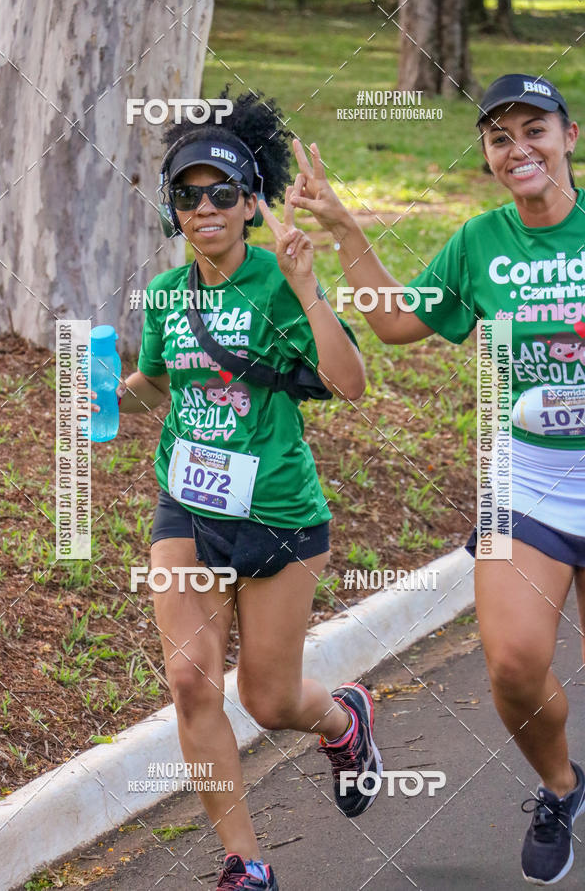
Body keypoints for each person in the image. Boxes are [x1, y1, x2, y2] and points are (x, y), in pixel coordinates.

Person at [289, 73, 585, 885]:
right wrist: (349, 227)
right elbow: (392, 320)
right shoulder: (480, 242)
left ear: (569, 138)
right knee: (515, 664)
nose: (518, 148)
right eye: (500, 136)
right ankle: (561, 788)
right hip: (525, 483)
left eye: (535, 130)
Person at [94, 89, 382, 890]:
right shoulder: (167, 295)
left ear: (252, 202)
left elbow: (348, 383)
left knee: (269, 697)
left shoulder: (278, 281)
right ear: (171, 208)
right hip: (186, 503)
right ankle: (246, 863)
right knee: (190, 679)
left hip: (279, 513)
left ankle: (342, 718)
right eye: (187, 194)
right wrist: (114, 395)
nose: (205, 207)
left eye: (223, 191)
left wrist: (308, 286)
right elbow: (159, 382)